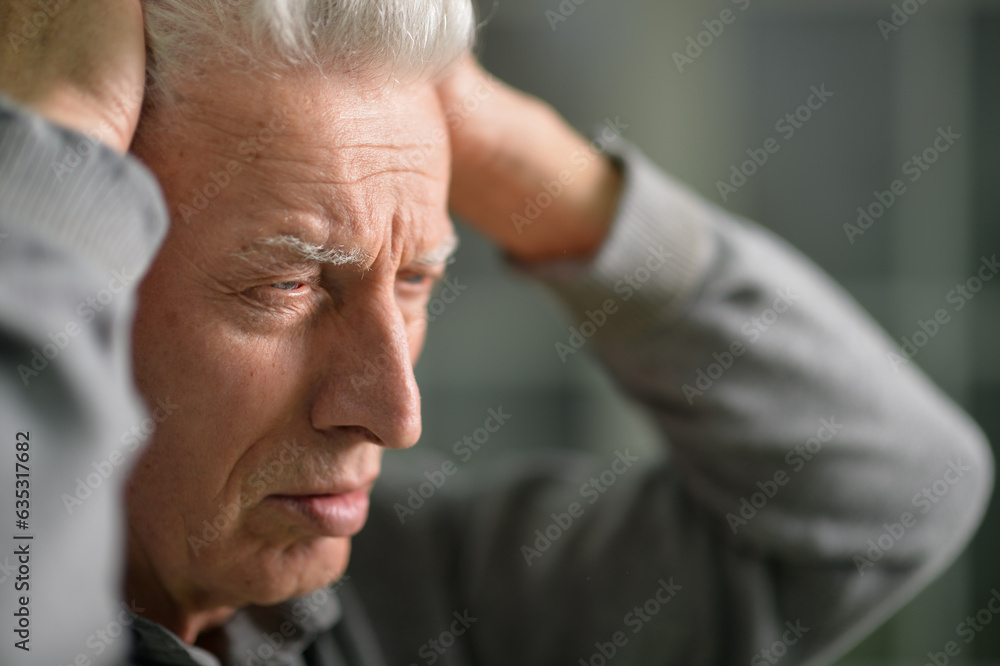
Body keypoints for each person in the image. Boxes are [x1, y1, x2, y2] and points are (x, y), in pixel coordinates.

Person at [0, 1, 992, 665]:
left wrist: (503, 140)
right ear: (78, 257)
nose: (395, 413)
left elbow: (896, 491)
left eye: (420, 278)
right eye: (293, 285)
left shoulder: (432, 598)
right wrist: (57, 137)